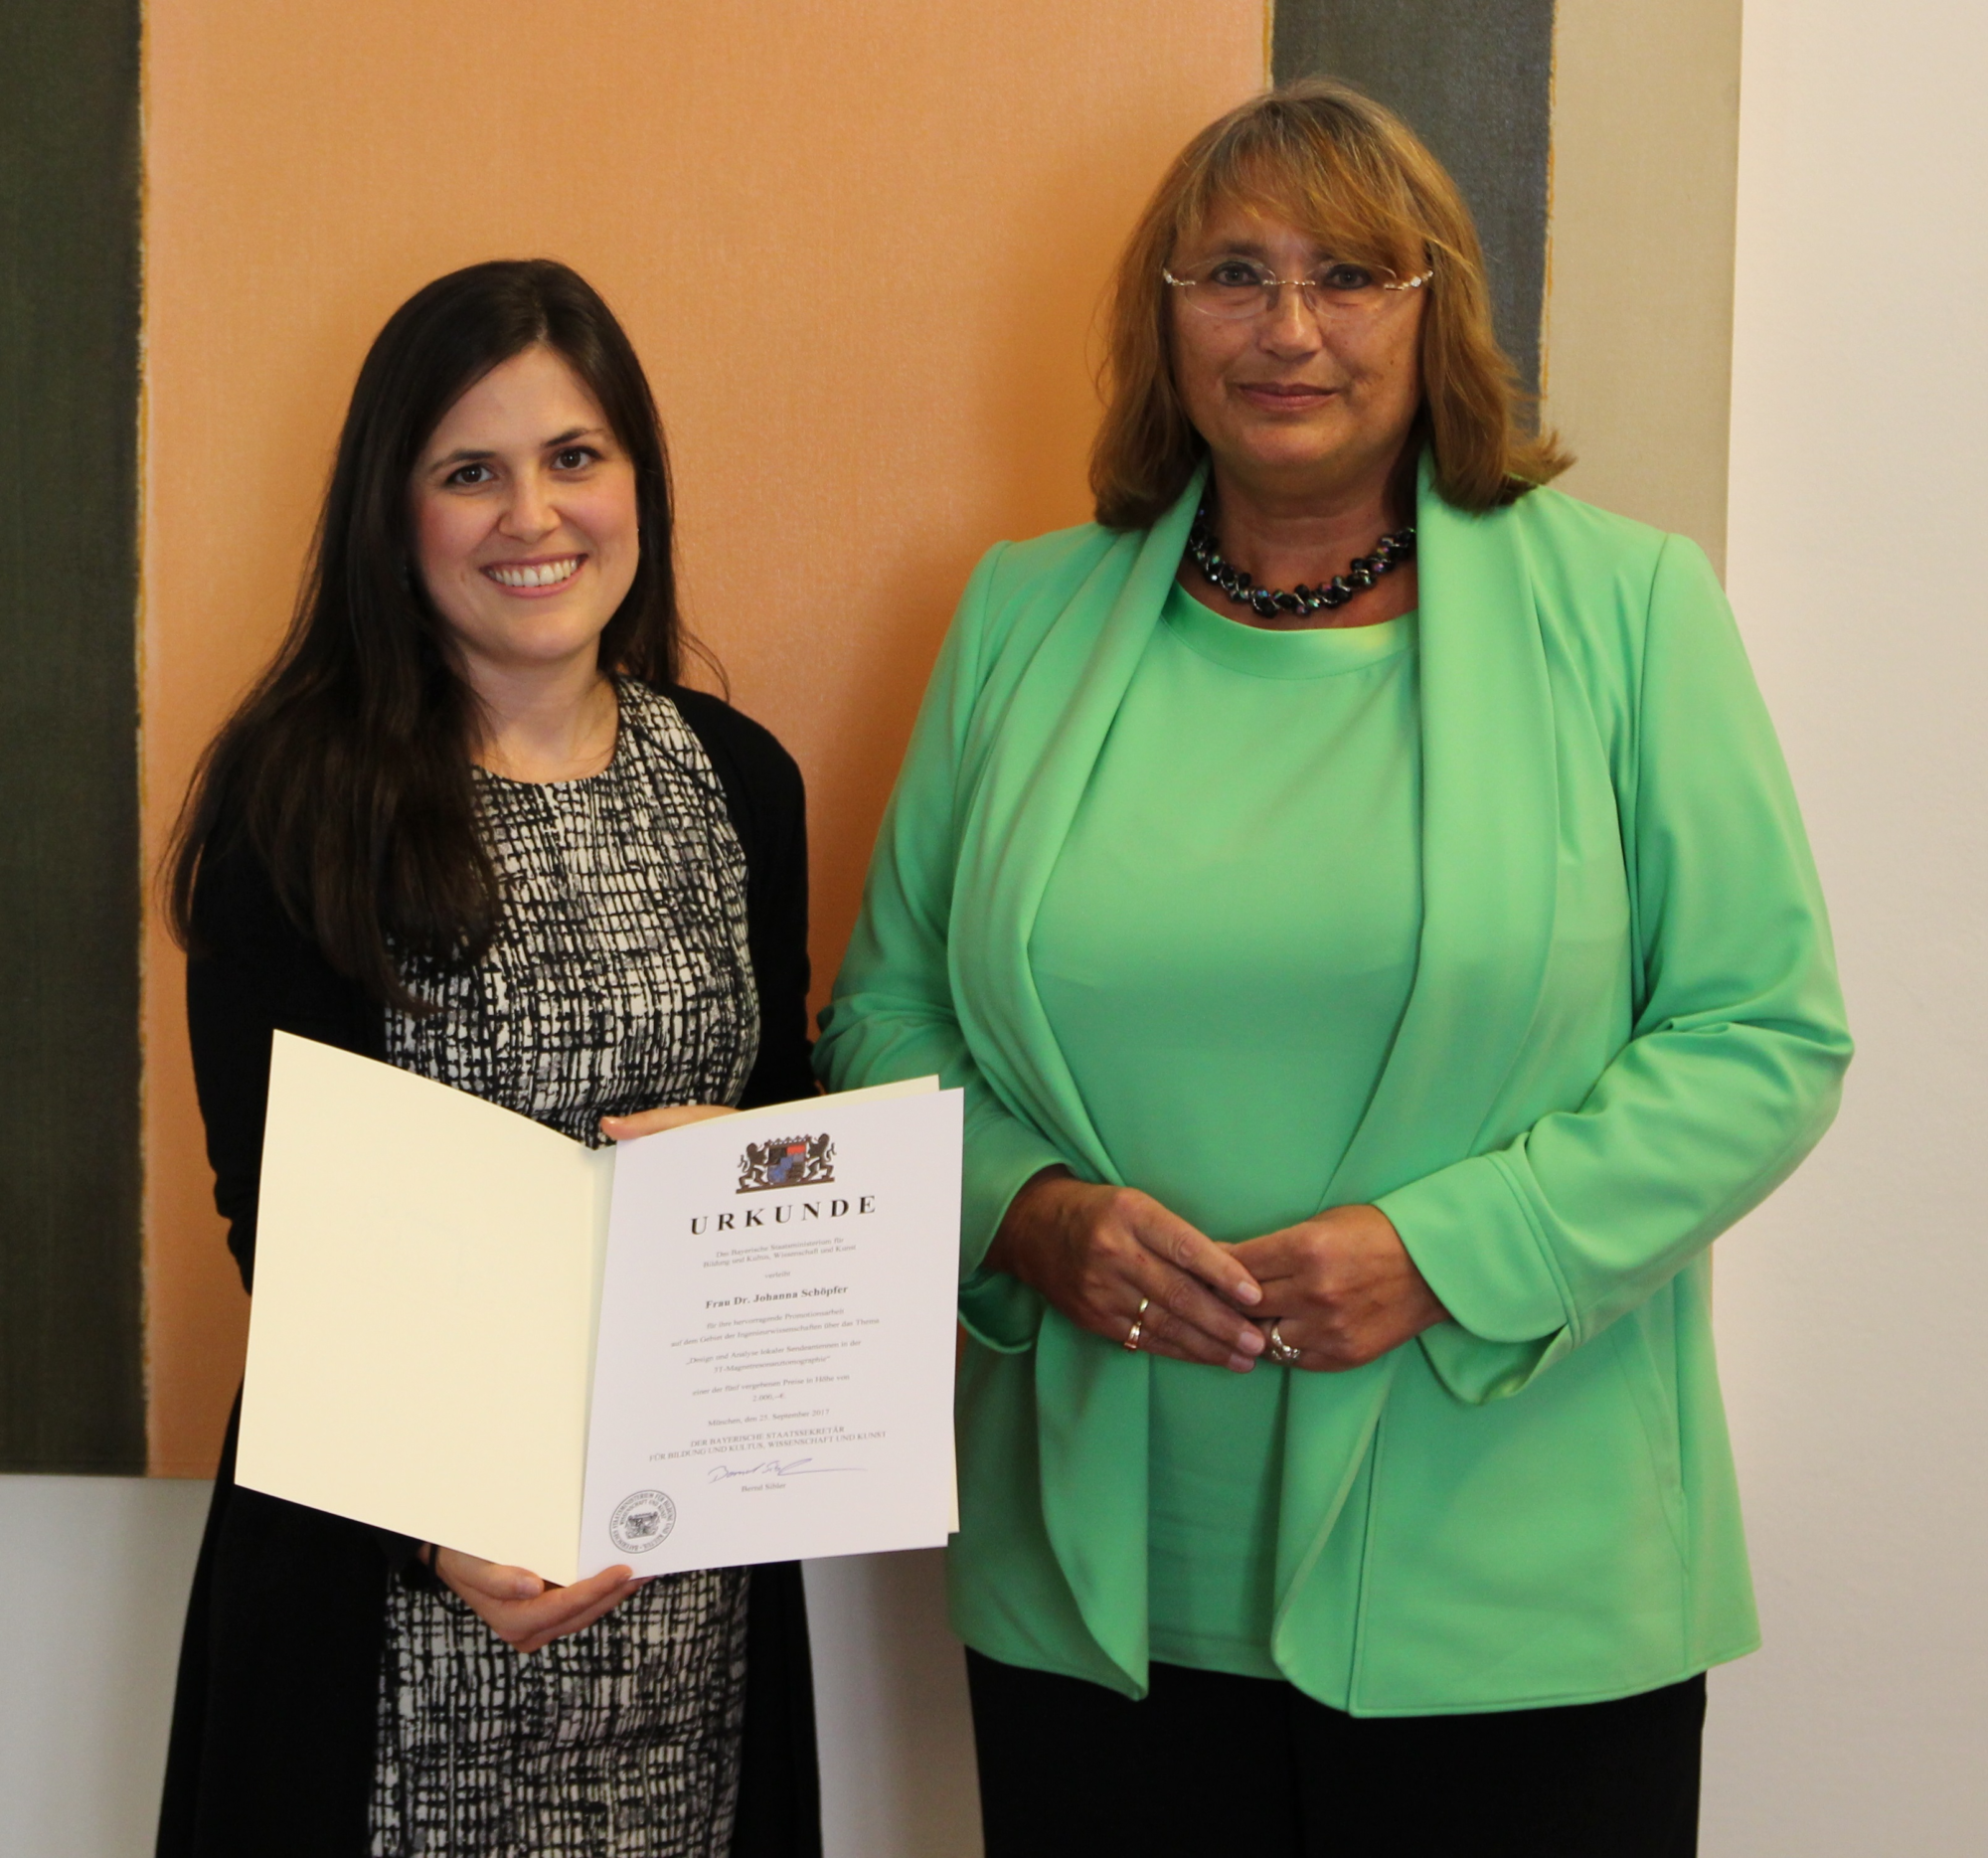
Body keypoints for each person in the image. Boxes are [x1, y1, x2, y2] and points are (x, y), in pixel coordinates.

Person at [816, 80, 1851, 1857]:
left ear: (1435, 311)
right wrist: (1028, 1216)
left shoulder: (1627, 611)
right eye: (1233, 274)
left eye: (1352, 275)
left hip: (1515, 1579)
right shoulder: (1020, 618)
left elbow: (1763, 1035)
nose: (1289, 328)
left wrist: (1448, 1253)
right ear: (1165, 322)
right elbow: (883, 1019)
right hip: (1102, 1587)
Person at [158, 260, 820, 1858]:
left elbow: (795, 1130)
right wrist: (429, 1521)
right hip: (388, 1589)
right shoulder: (296, 804)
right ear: (393, 514)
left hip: (689, 1582)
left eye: (574, 457)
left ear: (637, 481)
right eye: (471, 472)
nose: (534, 516)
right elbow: (282, 1225)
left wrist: (743, 1167)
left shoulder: (738, 778)